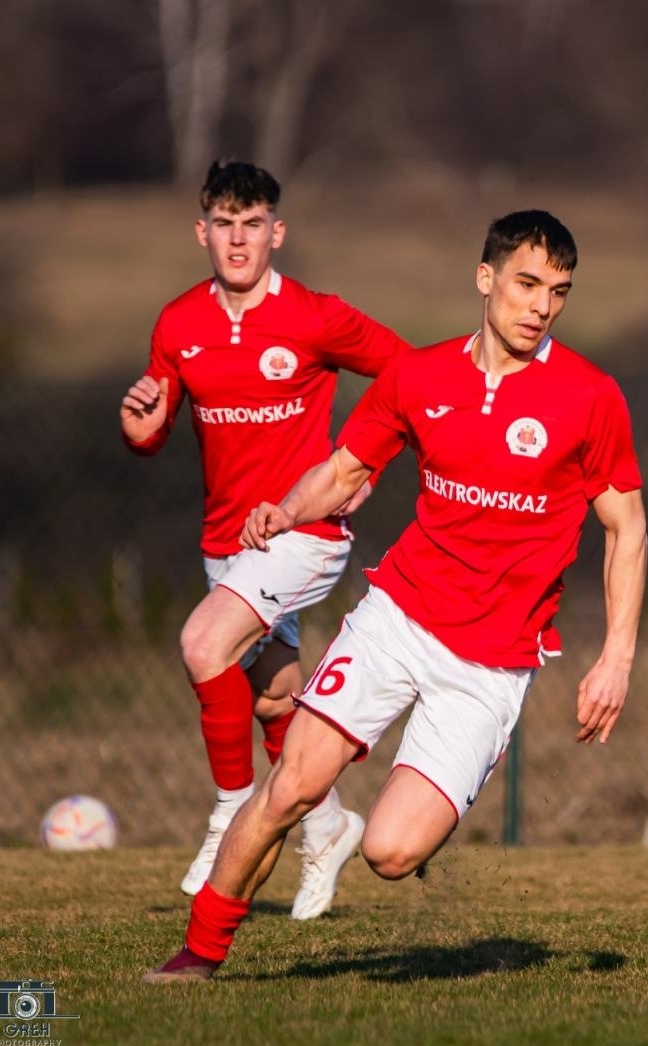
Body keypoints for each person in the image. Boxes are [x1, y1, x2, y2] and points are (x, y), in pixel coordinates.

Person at [145, 209, 647, 982]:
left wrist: (616, 656)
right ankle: (197, 953)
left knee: (390, 849)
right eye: (526, 283)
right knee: (291, 784)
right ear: (485, 280)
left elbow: (627, 527)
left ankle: (409, 811)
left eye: (558, 291)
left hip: (490, 662)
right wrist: (287, 511)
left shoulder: (589, 395)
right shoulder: (419, 377)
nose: (541, 305)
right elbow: (345, 472)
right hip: (399, 616)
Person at [118, 161, 410, 917]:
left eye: (253, 224)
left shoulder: (314, 316)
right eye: (224, 223)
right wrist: (140, 427)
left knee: (201, 644)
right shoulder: (178, 323)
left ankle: (228, 811)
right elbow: (155, 421)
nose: (238, 238)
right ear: (202, 232)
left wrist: (358, 461)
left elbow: (411, 377)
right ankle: (329, 821)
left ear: (276, 232)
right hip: (225, 541)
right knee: (276, 698)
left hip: (303, 531)